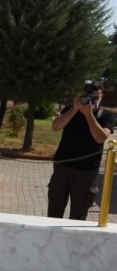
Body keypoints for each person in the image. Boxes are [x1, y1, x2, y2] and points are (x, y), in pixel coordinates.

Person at [48, 81, 114, 220]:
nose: (91, 101)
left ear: (101, 96)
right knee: (54, 212)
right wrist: (74, 109)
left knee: (78, 215)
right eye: (89, 97)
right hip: (63, 167)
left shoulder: (106, 115)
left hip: (86, 172)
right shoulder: (71, 110)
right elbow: (55, 127)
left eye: (95, 98)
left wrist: (89, 115)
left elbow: (101, 138)